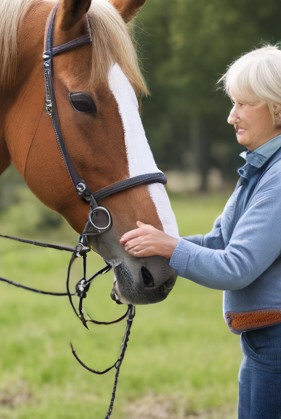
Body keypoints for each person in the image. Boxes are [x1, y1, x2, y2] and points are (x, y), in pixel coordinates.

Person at [120, 45, 281, 419]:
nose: (231, 117)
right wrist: (147, 251)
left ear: (277, 107)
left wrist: (170, 247)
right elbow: (219, 243)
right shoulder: (263, 169)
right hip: (265, 342)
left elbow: (236, 266)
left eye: (243, 104)